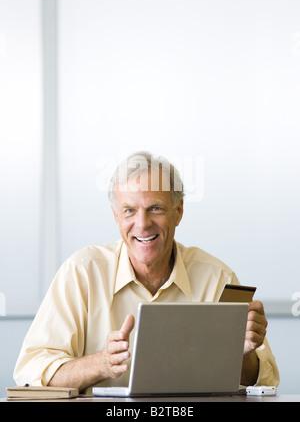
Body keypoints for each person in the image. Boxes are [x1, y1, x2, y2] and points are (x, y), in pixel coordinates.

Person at [14, 151, 279, 394]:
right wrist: (101, 364)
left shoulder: (217, 279)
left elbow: (265, 384)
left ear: (178, 212)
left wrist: (241, 356)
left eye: (155, 208)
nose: (142, 224)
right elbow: (30, 373)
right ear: (116, 217)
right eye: (129, 210)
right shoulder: (81, 273)